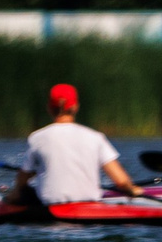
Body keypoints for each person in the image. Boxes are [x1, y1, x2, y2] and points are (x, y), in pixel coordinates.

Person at [11, 83, 141, 209]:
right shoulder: (95, 137)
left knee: (22, 191)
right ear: (75, 107)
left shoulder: (37, 138)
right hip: (89, 209)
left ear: (49, 108)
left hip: (50, 208)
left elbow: (22, 180)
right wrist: (132, 190)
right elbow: (121, 181)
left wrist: (15, 193)